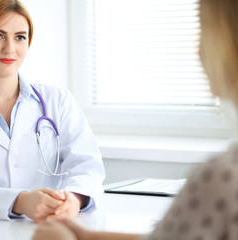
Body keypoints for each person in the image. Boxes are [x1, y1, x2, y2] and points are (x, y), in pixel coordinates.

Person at [33, 0, 238, 239]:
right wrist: (85, 236)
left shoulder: (221, 177)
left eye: (204, 31)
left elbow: (86, 165)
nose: (199, 50)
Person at [0, 0, 105, 222]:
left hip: (44, 229)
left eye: (20, 37)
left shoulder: (57, 101)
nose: (10, 49)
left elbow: (87, 166)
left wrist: (73, 199)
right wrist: (22, 202)